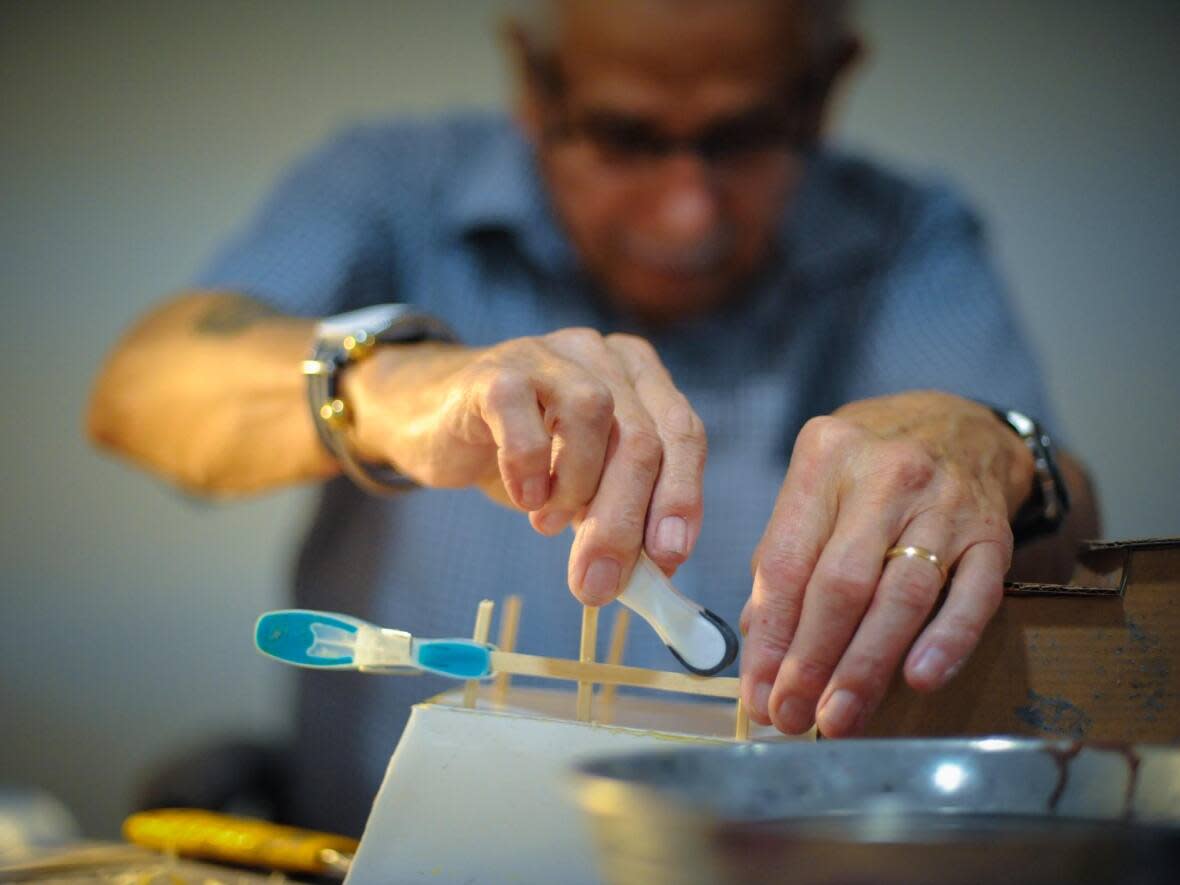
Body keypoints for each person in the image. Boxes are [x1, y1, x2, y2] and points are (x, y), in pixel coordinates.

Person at [88, 0, 1098, 835]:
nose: (684, 212)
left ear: (825, 86)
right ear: (532, 81)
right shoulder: (393, 190)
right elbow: (139, 390)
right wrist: (394, 388)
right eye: (622, 136)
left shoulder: (906, 244)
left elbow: (1075, 544)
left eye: (741, 137)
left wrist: (996, 454)